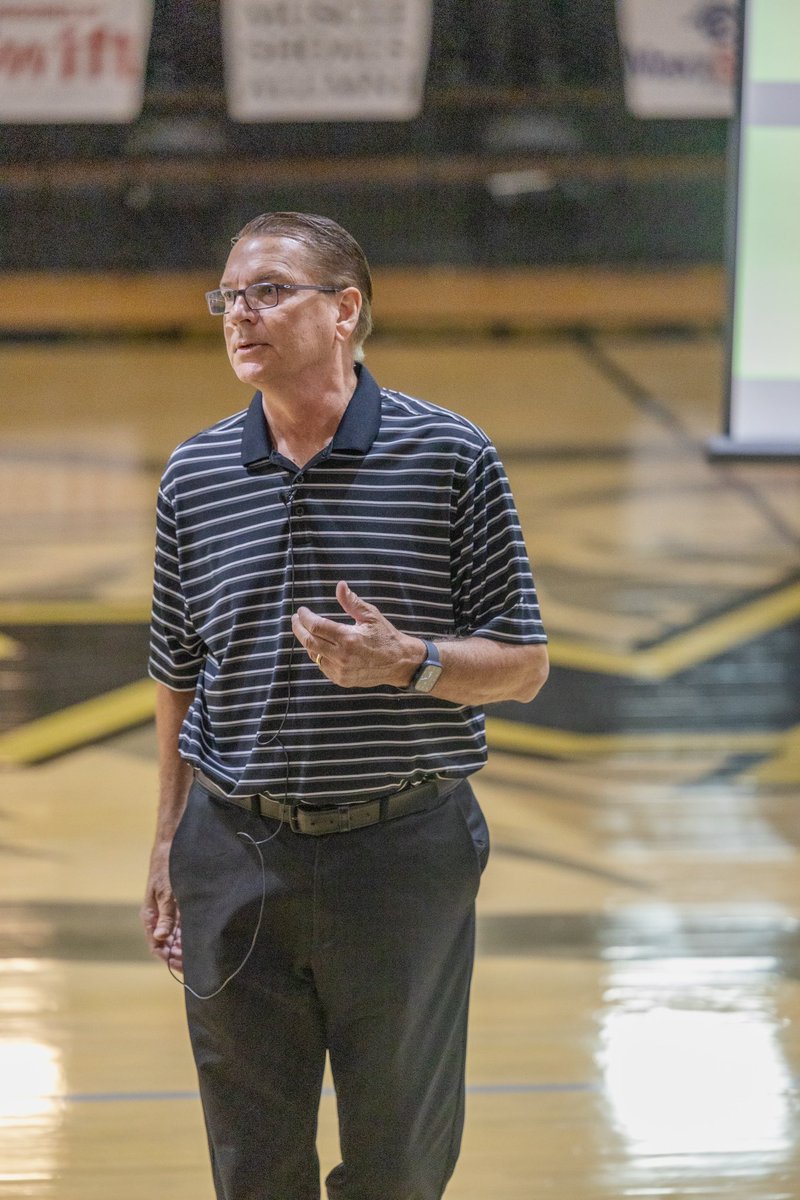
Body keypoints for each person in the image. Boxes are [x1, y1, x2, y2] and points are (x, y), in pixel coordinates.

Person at [141, 211, 549, 1200]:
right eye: (229, 296)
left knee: (400, 1165)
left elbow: (524, 663)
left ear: (345, 310)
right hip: (232, 856)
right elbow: (175, 671)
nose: (241, 314)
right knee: (252, 1165)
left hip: (400, 858)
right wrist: (165, 845)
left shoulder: (448, 457)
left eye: (269, 290)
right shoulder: (194, 475)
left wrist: (407, 662)